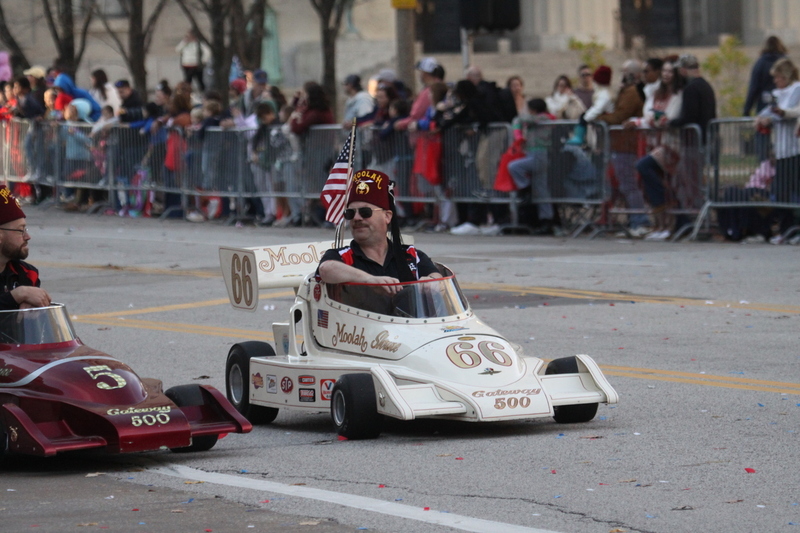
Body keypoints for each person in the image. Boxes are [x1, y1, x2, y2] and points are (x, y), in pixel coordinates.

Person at [317, 169, 441, 290]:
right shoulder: (342, 256)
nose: (356, 218)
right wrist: (369, 280)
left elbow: (437, 278)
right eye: (350, 213)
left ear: (387, 216)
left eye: (365, 212)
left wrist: (432, 283)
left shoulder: (410, 255)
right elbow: (326, 269)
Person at [755, 57, 800, 243]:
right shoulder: (776, 92)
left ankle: (790, 229)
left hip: (794, 149)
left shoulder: (796, 89)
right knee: (781, 192)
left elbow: (788, 111)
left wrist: (775, 115)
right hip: (781, 149)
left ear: (787, 76)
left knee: (784, 191)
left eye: (779, 77)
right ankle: (787, 228)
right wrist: (760, 119)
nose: (776, 81)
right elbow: (767, 111)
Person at [507, 98, 557, 235]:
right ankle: (546, 219)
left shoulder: (543, 118)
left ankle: (525, 186)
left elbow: (520, 120)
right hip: (533, 153)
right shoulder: (540, 119)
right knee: (541, 190)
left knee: (513, 166)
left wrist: (517, 128)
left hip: (539, 153)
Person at [0, 188, 50, 310]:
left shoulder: (26, 273)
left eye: (25, 229)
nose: (27, 237)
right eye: (20, 230)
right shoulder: (23, 289)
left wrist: (33, 309)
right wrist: (17, 296)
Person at [744, 36, 787, 116]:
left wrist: (747, 109)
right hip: (784, 105)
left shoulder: (760, 63)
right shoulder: (786, 62)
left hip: (763, 105)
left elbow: (753, 88)